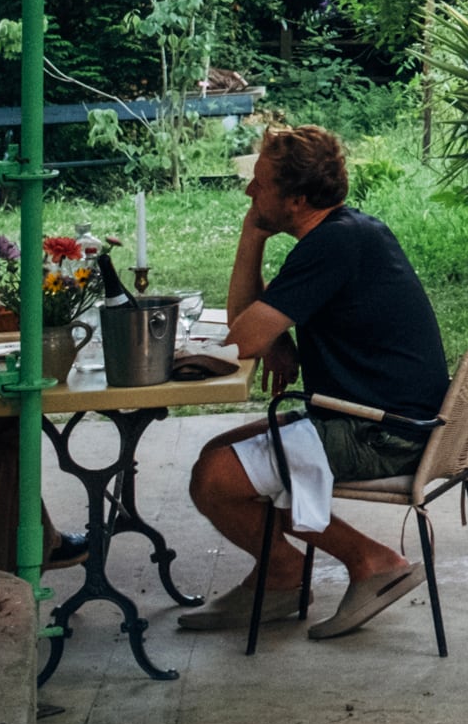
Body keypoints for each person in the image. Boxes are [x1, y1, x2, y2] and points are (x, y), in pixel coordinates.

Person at [179, 127, 448, 642]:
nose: (249, 195)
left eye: (259, 186)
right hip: (381, 415)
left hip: (383, 433)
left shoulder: (332, 245)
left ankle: (373, 561)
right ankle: (281, 575)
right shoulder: (348, 233)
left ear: (296, 199)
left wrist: (250, 236)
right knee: (218, 452)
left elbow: (240, 337)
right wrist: (276, 331)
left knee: (217, 476)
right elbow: (255, 329)